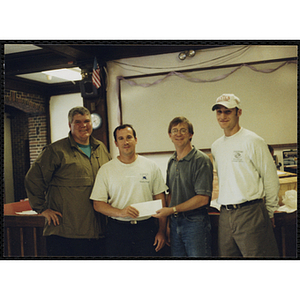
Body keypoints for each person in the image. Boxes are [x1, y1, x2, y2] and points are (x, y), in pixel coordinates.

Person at [25, 106, 111, 257]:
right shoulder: (56, 151)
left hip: (98, 232)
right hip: (65, 233)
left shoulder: (101, 148)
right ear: (69, 125)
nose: (83, 125)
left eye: (86, 121)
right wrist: (42, 209)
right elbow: (33, 179)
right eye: (77, 122)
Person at [211, 93, 280, 257]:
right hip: (225, 214)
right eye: (219, 112)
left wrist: (269, 212)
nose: (222, 116)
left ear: (238, 112)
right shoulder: (216, 146)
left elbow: (270, 179)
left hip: (251, 212)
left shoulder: (253, 141)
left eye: (227, 111)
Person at [90, 124, 167, 257]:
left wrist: (161, 231)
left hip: (146, 229)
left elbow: (161, 200)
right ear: (116, 143)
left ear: (135, 140)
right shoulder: (106, 170)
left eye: (129, 137)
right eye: (121, 138)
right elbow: (98, 204)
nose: (125, 142)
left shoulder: (150, 166)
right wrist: (120, 212)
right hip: (118, 230)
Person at [152, 117, 213, 257]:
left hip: (195, 223)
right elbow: (171, 193)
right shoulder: (172, 161)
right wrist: (167, 224)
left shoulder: (201, 160)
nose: (178, 134)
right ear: (170, 135)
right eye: (174, 131)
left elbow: (203, 199)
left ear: (191, 134)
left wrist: (172, 210)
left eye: (183, 130)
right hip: (174, 223)